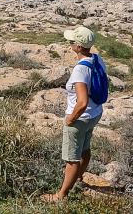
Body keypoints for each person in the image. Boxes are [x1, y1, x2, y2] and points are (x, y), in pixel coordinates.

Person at [43, 26, 107, 203]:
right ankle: (78, 179)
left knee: (72, 158)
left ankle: (61, 195)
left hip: (80, 118)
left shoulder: (80, 69)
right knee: (85, 149)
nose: (69, 43)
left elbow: (82, 102)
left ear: (78, 47)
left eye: (71, 42)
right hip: (95, 114)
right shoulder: (97, 59)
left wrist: (70, 119)